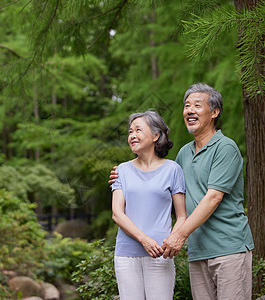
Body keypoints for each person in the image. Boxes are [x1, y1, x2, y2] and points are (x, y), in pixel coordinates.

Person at [109, 83, 254, 300]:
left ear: (214, 112)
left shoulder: (225, 148)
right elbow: (159, 182)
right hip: (198, 251)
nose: (189, 110)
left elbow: (213, 197)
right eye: (187, 106)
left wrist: (179, 235)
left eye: (197, 105)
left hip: (228, 248)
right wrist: (122, 175)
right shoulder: (184, 155)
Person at [111, 110, 187, 300]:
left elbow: (182, 216)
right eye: (130, 132)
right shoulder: (121, 170)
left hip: (160, 254)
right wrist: (144, 240)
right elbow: (117, 214)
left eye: (138, 130)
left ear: (156, 135)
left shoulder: (173, 169)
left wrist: (173, 241)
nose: (132, 136)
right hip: (126, 255)